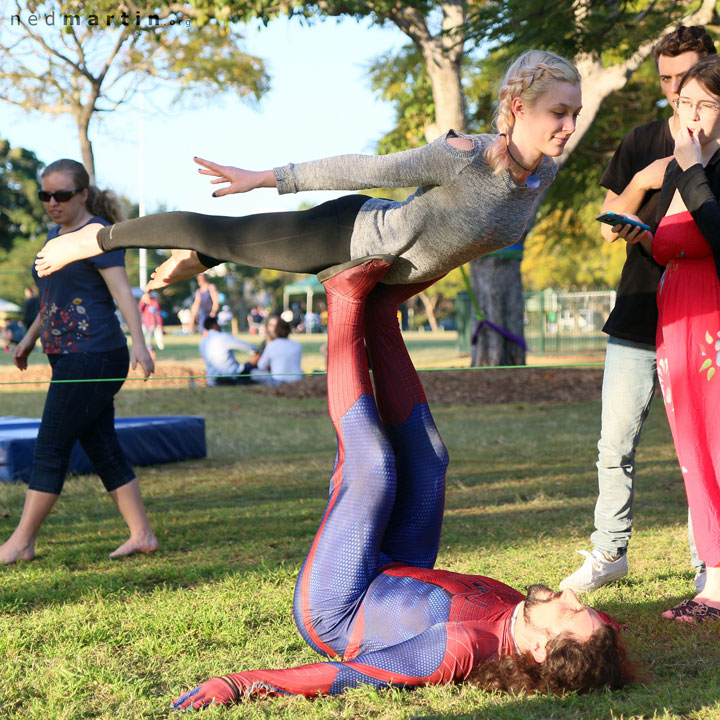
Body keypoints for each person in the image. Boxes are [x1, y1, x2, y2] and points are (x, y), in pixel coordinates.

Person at [171, 257, 634, 711]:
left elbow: (351, 676)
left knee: (372, 466)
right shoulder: (539, 625)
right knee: (430, 462)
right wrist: (602, 639)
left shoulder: (461, 648)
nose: (574, 596)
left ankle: (344, 299)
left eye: (573, 612)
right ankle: (380, 314)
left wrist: (238, 683)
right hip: (398, 568)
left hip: (341, 606)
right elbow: (604, 636)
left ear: (540, 649)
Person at [33, 50, 582, 295]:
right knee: (213, 229)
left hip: (385, 276)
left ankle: (200, 260)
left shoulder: (543, 177)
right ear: (515, 106)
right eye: (559, 112)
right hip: (346, 237)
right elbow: (366, 168)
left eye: (574, 113)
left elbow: (457, 246)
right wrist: (261, 177)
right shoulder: (464, 155)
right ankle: (92, 240)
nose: (569, 125)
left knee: (228, 245)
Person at [560, 25, 717, 595]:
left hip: (702, 318)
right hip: (638, 308)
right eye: (668, 80)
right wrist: (650, 178)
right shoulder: (642, 139)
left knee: (703, 443)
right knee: (615, 441)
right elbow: (609, 221)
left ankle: (709, 560)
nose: (677, 91)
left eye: (688, 78)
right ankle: (609, 552)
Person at [0, 159, 157, 566]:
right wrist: (29, 340)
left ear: (83, 194)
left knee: (51, 445)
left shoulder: (97, 236)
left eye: (62, 195)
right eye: (45, 195)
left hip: (94, 355)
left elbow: (123, 293)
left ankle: (21, 542)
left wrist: (140, 344)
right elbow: (54, 300)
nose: (52, 203)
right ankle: (142, 535)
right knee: (101, 444)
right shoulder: (55, 235)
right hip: (68, 355)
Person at [614, 57, 720, 622]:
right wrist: (645, 232)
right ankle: (713, 574)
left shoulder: (703, 167)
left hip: (713, 318)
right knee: (693, 451)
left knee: (718, 445)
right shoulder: (679, 168)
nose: (692, 116)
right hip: (673, 318)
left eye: (706, 105)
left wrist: (696, 167)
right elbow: (673, 240)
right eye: (684, 104)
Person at [199, 316, 257, 386]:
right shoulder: (223, 337)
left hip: (212, 380)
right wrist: (256, 352)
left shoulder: (202, 343)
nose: (220, 326)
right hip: (231, 377)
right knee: (258, 356)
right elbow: (249, 347)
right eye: (218, 324)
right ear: (214, 325)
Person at [248, 314, 303, 386]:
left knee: (254, 373)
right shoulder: (297, 344)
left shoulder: (272, 345)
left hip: (278, 381)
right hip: (296, 379)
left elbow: (261, 366)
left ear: (276, 330)